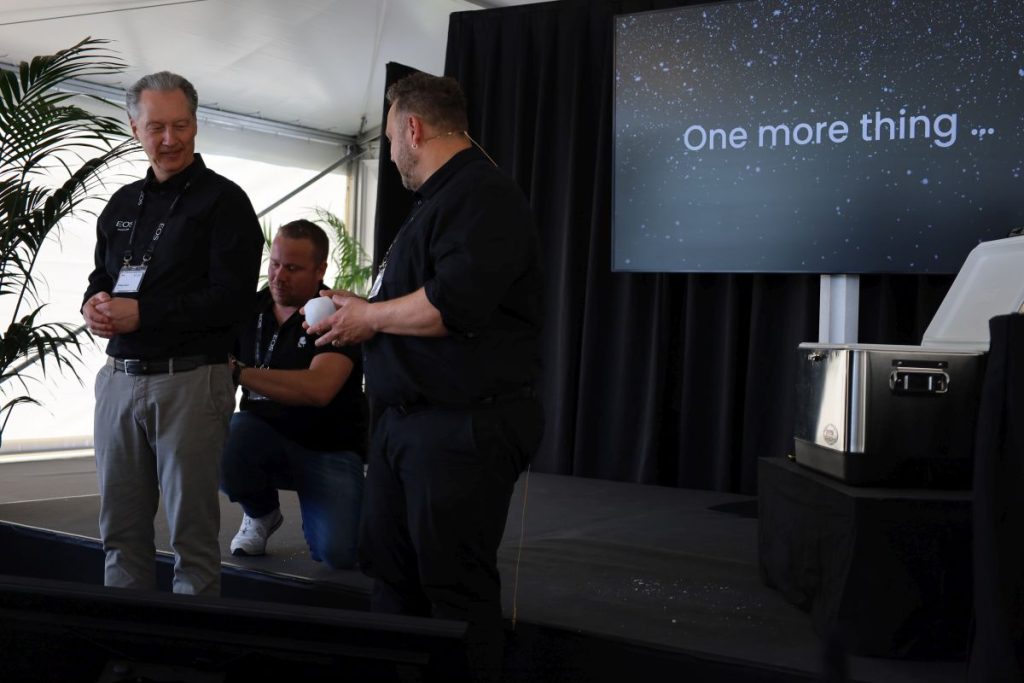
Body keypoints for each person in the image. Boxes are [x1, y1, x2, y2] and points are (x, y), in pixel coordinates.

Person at [307, 72, 544, 677]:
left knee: (454, 588)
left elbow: (452, 304)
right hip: (406, 425)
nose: (390, 155)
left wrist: (370, 318)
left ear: (412, 129)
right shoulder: (436, 203)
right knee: (392, 575)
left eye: (389, 139)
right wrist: (361, 309)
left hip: (460, 427)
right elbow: (413, 300)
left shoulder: (483, 195)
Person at [81, 71, 263, 596]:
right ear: (133, 127)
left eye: (181, 125)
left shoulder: (225, 202)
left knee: (193, 542)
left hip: (191, 381)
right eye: (156, 127)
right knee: (119, 534)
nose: (170, 139)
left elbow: (232, 299)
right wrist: (93, 304)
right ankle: (125, 636)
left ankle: (192, 643)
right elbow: (102, 276)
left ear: (196, 124)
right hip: (118, 380)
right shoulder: (121, 204)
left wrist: (143, 314)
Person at [221, 220, 366, 569]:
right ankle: (261, 512)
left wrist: (240, 372)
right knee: (223, 435)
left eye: (293, 268)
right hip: (259, 438)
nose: (278, 276)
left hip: (327, 448)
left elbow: (318, 389)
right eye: (274, 264)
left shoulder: (337, 314)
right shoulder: (248, 309)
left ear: (320, 270)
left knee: (339, 555)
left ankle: (350, 502)